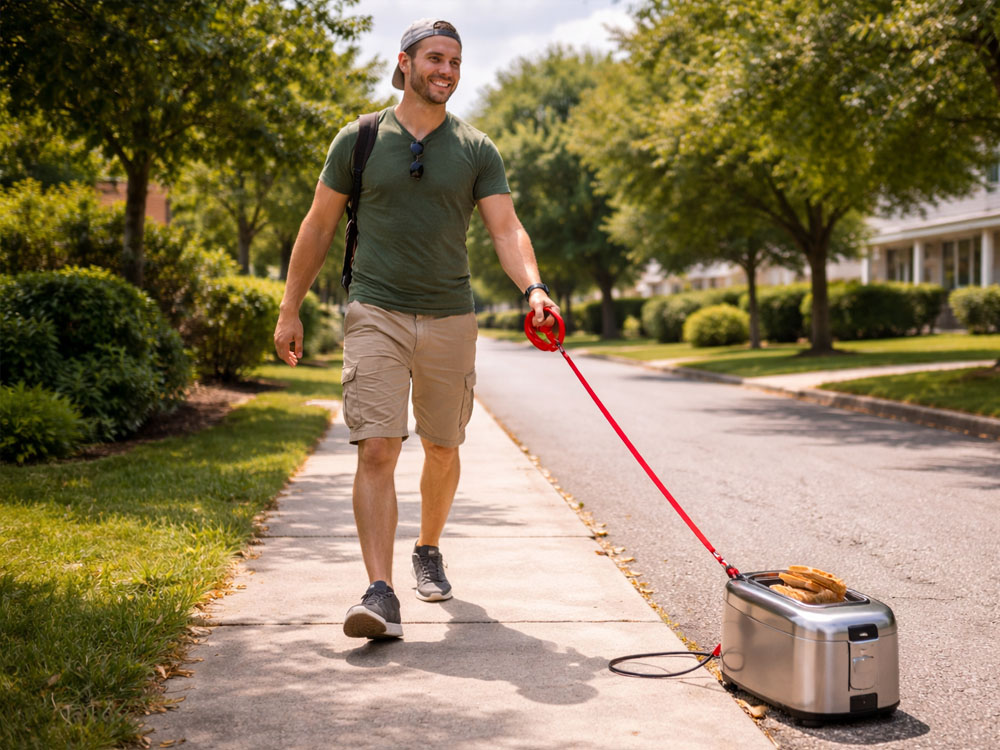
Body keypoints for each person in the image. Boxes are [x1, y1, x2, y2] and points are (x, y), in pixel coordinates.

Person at [273, 18, 558, 640]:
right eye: (434, 59)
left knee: (442, 446)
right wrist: (290, 307)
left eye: (455, 62)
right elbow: (319, 225)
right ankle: (380, 592)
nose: (446, 72)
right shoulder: (360, 139)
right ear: (404, 63)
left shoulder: (477, 148)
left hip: (451, 313)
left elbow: (506, 230)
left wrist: (532, 287)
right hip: (375, 308)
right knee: (378, 445)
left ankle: (427, 547)